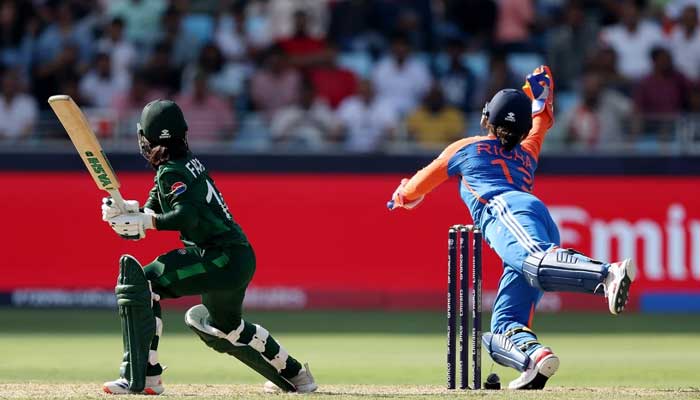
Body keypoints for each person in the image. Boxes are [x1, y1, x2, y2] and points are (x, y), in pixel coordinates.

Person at [388, 66, 635, 390]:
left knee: (535, 262)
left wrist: (401, 196)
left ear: (486, 119)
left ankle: (605, 274)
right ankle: (535, 361)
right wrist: (539, 87)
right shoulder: (526, 152)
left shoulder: (465, 148)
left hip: (505, 210)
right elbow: (542, 118)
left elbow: (418, 185)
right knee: (502, 329)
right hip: (536, 216)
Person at [100, 100, 317, 395]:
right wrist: (126, 213)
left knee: (142, 283)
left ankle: (143, 375)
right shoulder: (181, 165)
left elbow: (182, 216)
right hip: (236, 258)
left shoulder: (171, 172)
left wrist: (143, 223)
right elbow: (151, 213)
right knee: (229, 328)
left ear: (146, 138)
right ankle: (297, 375)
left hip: (219, 256)